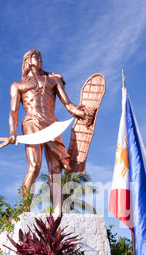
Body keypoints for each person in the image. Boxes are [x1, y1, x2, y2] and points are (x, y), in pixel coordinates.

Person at [8, 49, 89, 205]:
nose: (39, 59)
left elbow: (68, 104)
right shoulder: (18, 85)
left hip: (52, 125)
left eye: (40, 57)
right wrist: (13, 131)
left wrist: (79, 112)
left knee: (56, 171)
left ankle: (57, 213)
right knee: (34, 166)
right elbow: (13, 111)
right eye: (35, 57)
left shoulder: (53, 81)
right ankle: (24, 210)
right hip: (32, 121)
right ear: (27, 61)